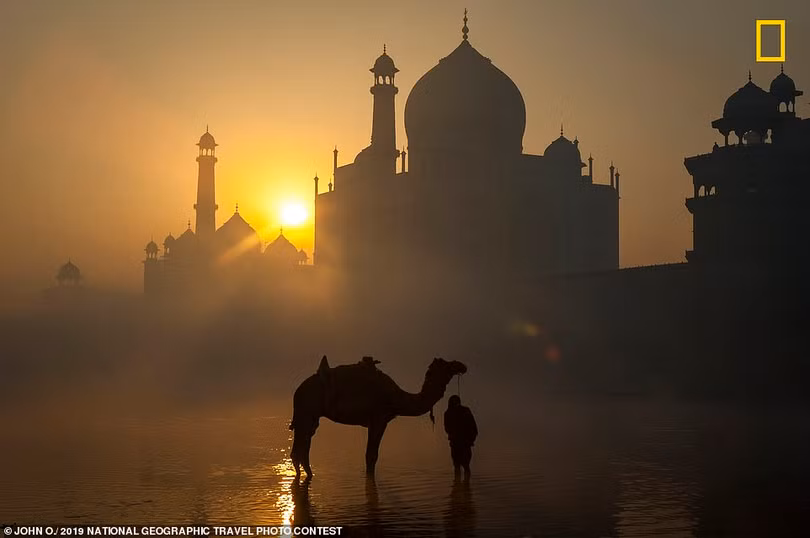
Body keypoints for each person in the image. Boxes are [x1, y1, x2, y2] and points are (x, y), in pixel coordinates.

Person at [443, 395, 478, 479]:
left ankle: (463, 487)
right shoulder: (451, 412)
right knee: (460, 466)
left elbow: (473, 427)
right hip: (459, 444)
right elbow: (447, 429)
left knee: (463, 466)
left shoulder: (451, 412)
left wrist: (470, 439)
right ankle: (462, 487)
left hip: (463, 443)